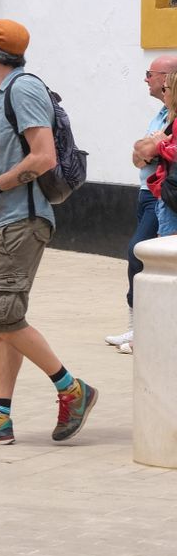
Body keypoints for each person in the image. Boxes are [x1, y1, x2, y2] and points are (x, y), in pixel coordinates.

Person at [0, 19, 97, 446]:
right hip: (8, 218)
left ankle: (72, 389)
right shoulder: (6, 94)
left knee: (3, 316)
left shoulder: (22, 89)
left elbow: (43, 157)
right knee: (6, 317)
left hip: (19, 222)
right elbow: (12, 159)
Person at [121, 54, 177, 350]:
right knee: (141, 256)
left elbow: (155, 149)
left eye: (150, 74)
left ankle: (147, 330)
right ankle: (136, 327)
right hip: (146, 192)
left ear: (167, 79)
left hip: (163, 195)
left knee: (139, 252)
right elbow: (138, 153)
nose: (146, 79)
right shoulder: (160, 115)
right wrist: (149, 147)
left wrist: (153, 146)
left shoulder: (173, 115)